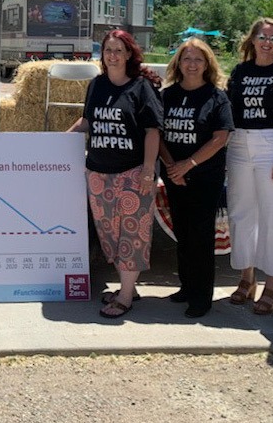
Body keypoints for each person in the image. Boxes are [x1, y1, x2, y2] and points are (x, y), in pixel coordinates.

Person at [67, 30, 163, 319]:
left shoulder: (141, 87)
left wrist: (148, 169)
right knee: (110, 235)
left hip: (133, 174)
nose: (113, 55)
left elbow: (152, 130)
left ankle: (124, 297)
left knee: (132, 236)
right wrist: (60, 139)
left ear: (130, 54)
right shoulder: (96, 85)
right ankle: (128, 287)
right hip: (98, 174)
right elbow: (87, 120)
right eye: (108, 50)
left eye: (119, 50)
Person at [225, 18, 273, 315]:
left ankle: (272, 284)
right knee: (242, 213)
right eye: (261, 36)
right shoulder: (240, 72)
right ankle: (247, 278)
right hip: (241, 143)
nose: (267, 42)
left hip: (272, 144)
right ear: (252, 40)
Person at [158, 38, 234, 318]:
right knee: (182, 233)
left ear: (207, 64)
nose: (192, 64)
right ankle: (187, 287)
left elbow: (220, 138)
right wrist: (171, 166)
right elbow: (159, 135)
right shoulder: (167, 96)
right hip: (175, 176)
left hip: (205, 178)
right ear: (178, 63)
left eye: (198, 59)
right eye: (186, 59)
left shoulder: (217, 97)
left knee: (200, 237)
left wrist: (188, 165)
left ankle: (202, 298)